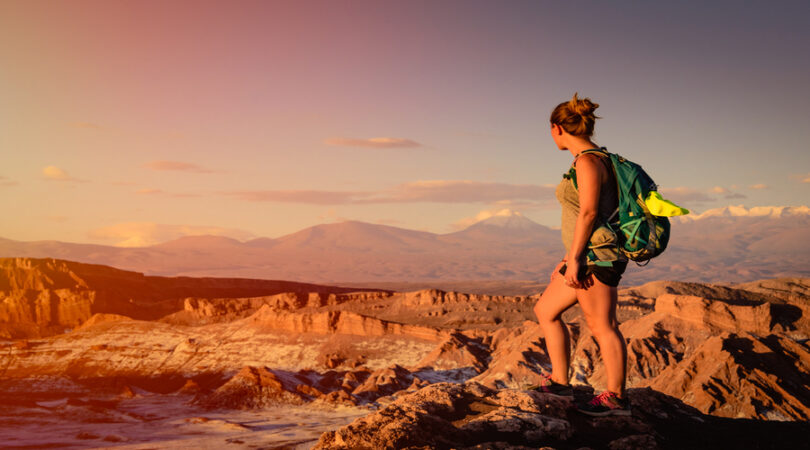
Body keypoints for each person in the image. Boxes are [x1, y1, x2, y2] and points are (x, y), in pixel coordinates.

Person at [529, 93, 631, 417]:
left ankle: (616, 398)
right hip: (582, 254)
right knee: (545, 310)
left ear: (557, 128)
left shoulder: (589, 161)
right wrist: (567, 257)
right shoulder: (590, 160)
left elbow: (588, 213)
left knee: (602, 326)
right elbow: (583, 217)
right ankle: (560, 383)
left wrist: (574, 259)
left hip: (597, 257)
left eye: (550, 130)